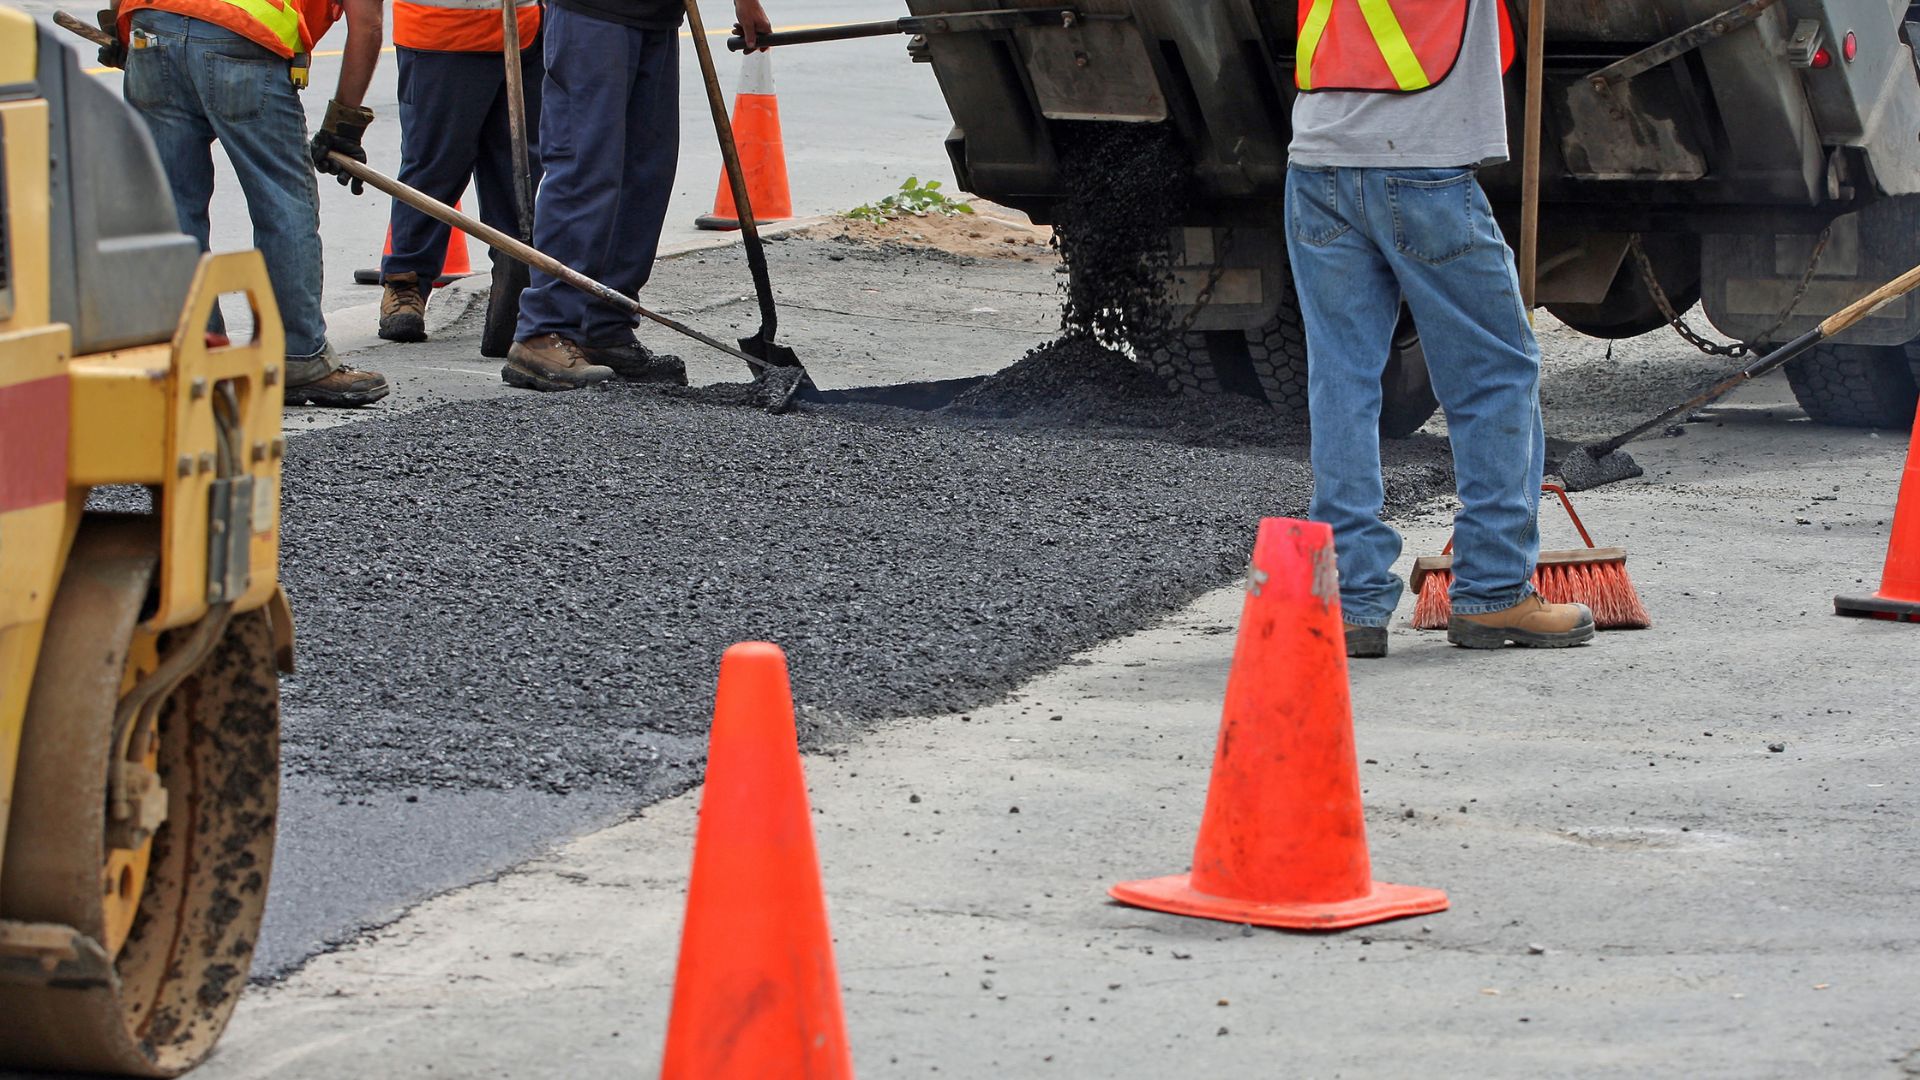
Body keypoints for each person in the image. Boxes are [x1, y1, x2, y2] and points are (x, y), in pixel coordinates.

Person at [1284, 0, 1594, 656]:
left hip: (1318, 161)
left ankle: (1349, 602)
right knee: (1495, 372)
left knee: (1342, 381)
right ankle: (1495, 592)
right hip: (1419, 164)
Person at [104, 0, 391, 407]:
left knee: (172, 209)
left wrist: (123, 35)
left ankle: (198, 355)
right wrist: (344, 122)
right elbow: (367, 23)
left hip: (153, 27)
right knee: (282, 201)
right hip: (241, 40)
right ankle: (297, 357)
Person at [501, 0, 772, 391]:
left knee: (645, 175)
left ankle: (605, 325)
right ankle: (544, 333)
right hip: (592, 13)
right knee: (585, 165)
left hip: (656, 16)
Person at [376, 0, 543, 344]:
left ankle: (515, 280)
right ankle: (405, 283)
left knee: (517, 170)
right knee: (434, 167)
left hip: (523, 31)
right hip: (440, 32)